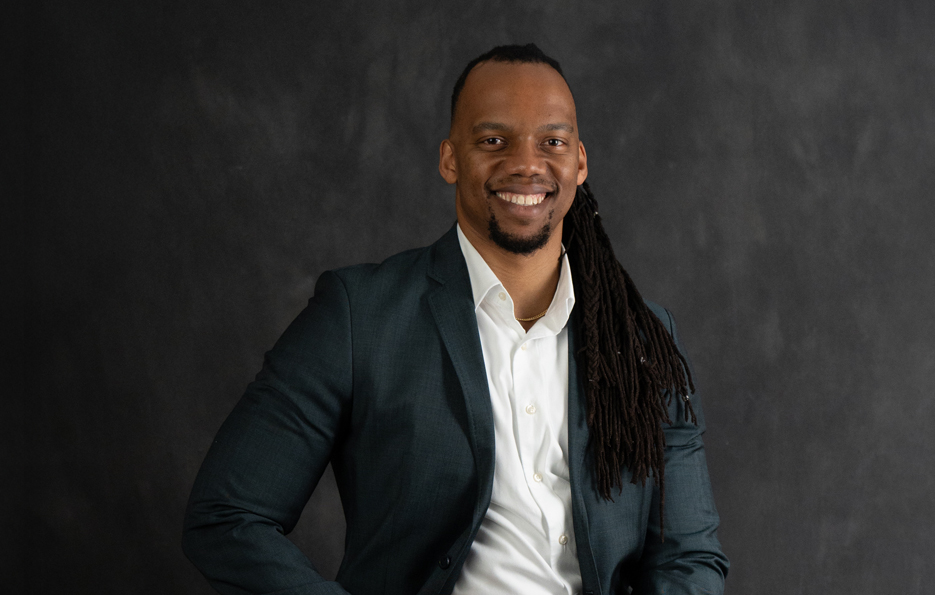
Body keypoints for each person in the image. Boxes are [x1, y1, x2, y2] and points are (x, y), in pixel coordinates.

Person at [183, 43, 728, 595]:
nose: (525, 163)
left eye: (552, 142)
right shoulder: (360, 315)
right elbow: (227, 516)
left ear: (579, 163)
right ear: (450, 159)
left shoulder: (643, 339)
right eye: (494, 141)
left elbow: (689, 559)